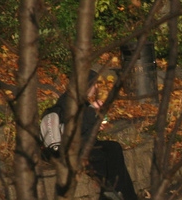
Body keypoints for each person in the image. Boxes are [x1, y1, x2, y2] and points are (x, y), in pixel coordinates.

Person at [39, 71, 138, 200]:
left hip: (83, 145)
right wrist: (92, 112)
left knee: (113, 148)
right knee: (101, 156)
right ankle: (113, 193)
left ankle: (122, 194)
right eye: (94, 84)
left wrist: (96, 125)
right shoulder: (69, 101)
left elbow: (84, 130)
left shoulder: (82, 102)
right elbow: (73, 129)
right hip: (71, 149)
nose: (96, 87)